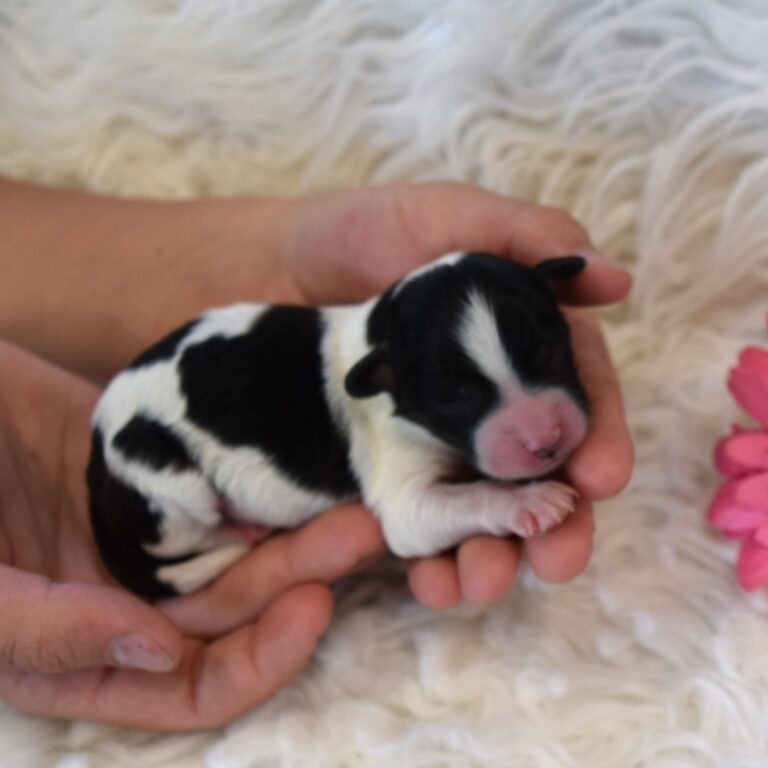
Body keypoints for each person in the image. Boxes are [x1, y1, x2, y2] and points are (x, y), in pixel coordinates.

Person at [0, 178, 633, 729]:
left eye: (545, 358)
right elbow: (409, 524)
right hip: (152, 461)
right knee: (168, 488)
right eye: (467, 401)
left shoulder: (402, 362)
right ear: (387, 385)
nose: (541, 432)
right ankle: (181, 551)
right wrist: (499, 505)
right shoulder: (382, 397)